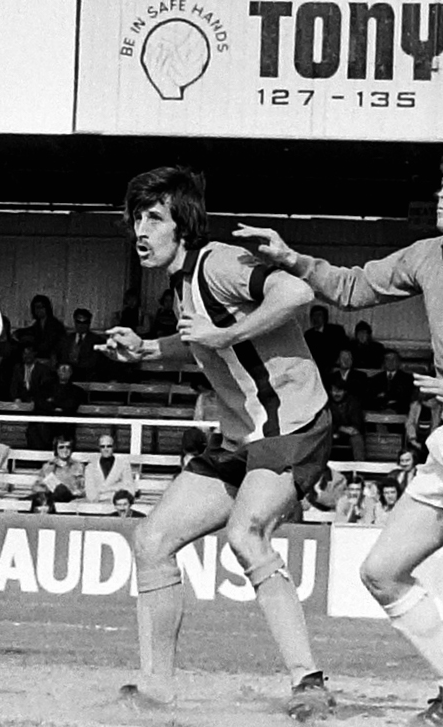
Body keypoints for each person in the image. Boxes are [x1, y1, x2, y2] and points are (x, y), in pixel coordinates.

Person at [237, 153, 443, 726]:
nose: (441, 193)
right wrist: (291, 257)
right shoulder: (427, 256)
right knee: (381, 571)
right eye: (442, 184)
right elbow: (349, 288)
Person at [98, 166, 337, 721]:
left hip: (293, 425)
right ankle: (157, 689)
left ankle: (310, 682)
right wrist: (145, 352)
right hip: (241, 437)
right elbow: (201, 347)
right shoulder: (181, 286)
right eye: (136, 217)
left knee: (246, 532)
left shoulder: (219, 262)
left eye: (154, 217)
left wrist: (225, 334)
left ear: (183, 224)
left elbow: (297, 292)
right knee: (152, 540)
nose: (140, 229)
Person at [28, 434, 90, 512]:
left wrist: (75, 492)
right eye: (61, 447)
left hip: (70, 499)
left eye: (68, 447)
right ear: (56, 449)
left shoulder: (79, 466)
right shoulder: (48, 467)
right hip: (51, 498)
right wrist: (45, 489)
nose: (65, 450)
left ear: (71, 449)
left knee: (60, 490)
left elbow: (85, 488)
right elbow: (36, 487)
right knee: (30, 500)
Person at [82, 432, 139, 503]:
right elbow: (90, 496)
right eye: (102, 446)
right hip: (96, 506)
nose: (106, 449)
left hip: (118, 506)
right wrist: (118, 488)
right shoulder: (90, 467)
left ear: (114, 447)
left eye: (109, 446)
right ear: (99, 448)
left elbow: (130, 490)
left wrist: (102, 491)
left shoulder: (124, 465)